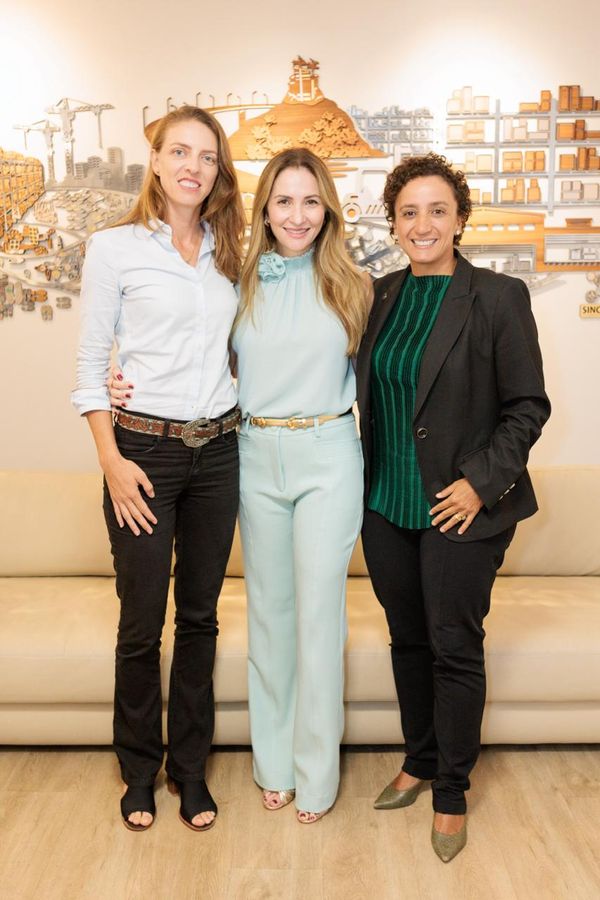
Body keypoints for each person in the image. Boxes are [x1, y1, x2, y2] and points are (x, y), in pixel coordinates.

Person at [356, 153, 550, 861]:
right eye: (408, 212)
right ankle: (420, 755)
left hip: (461, 507)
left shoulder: (497, 297)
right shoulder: (378, 296)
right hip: (386, 504)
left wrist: (478, 481)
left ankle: (451, 789)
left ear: (461, 219)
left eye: (437, 210)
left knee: (452, 645)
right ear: (394, 224)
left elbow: (527, 406)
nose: (423, 224)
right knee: (407, 639)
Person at [72, 105, 245, 832]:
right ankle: (139, 771)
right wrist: (111, 459)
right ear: (157, 159)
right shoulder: (113, 248)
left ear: (218, 172)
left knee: (201, 619)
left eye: (207, 157)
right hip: (141, 453)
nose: (192, 166)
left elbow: (245, 350)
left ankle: (190, 771)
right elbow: (89, 366)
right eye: (180, 151)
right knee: (143, 623)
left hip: (220, 452)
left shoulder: (233, 251)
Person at [233, 147, 371, 823]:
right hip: (254, 455)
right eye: (284, 200)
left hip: (328, 456)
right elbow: (194, 362)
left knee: (320, 620)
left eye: (310, 200)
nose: (297, 214)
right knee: (270, 617)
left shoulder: (352, 283)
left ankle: (316, 776)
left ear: (328, 209)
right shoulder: (239, 281)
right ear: (265, 208)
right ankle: (275, 763)